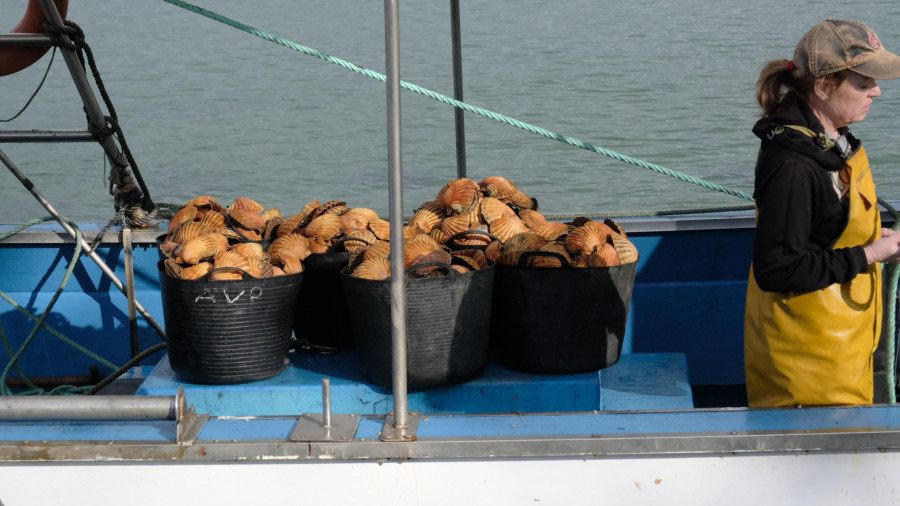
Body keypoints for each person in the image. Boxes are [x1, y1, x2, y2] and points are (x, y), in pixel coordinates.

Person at [745, 18, 900, 407]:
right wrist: (869, 254)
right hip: (809, 376)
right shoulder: (794, 164)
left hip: (842, 353)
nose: (878, 92)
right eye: (864, 84)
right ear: (824, 86)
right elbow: (778, 268)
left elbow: (823, 228)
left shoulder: (829, 141)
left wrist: (869, 237)